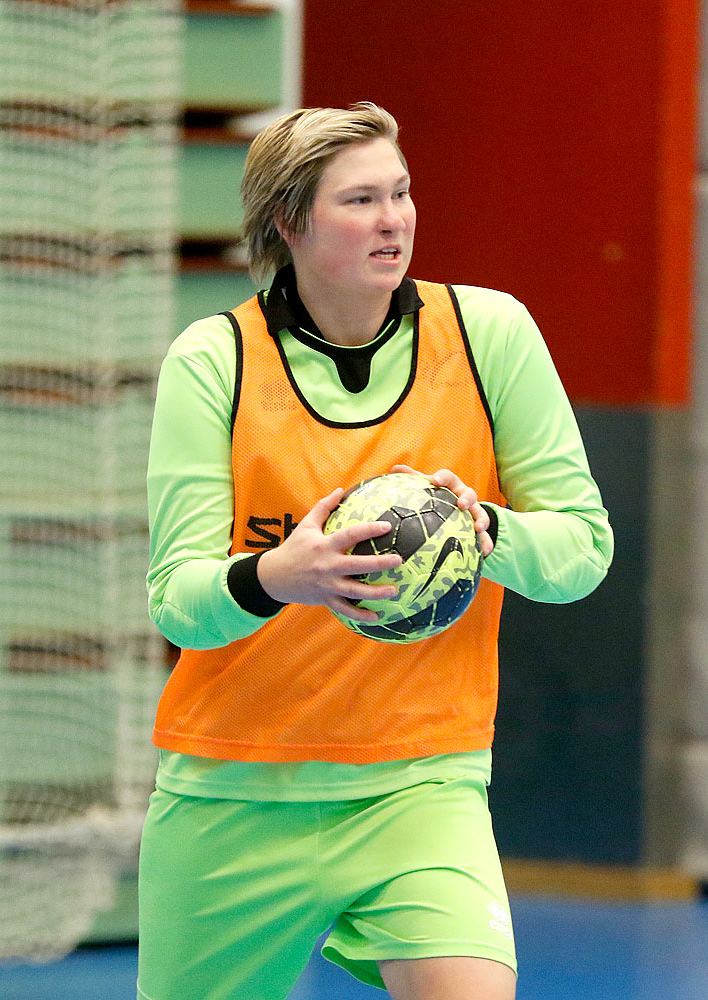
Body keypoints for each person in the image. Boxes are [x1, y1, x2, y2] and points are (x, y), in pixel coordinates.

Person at [139, 102, 612, 1000]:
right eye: (360, 200)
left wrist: (487, 534)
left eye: (401, 192)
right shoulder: (215, 361)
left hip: (418, 783)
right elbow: (177, 600)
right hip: (231, 794)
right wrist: (283, 578)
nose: (394, 219)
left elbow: (583, 551)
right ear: (291, 221)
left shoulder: (490, 334)